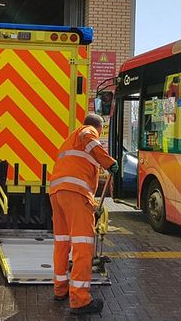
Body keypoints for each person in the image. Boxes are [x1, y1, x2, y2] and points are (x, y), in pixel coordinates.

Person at [48, 114, 117, 315]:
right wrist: (109, 162)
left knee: (62, 242)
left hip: (57, 193)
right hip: (76, 194)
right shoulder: (87, 131)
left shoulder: (70, 139)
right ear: (99, 127)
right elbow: (90, 138)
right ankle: (79, 300)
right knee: (83, 245)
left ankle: (60, 289)